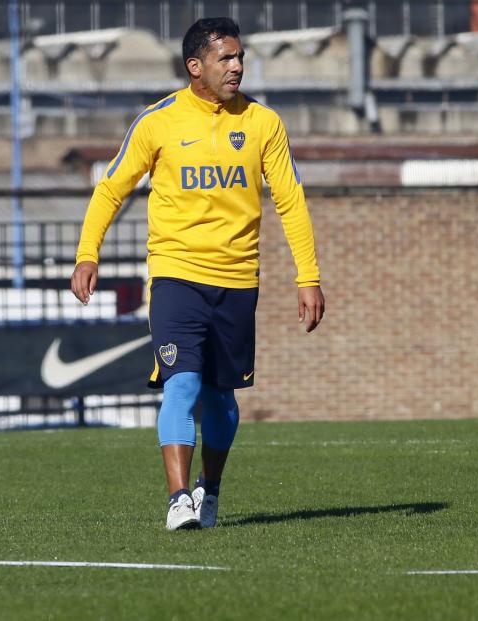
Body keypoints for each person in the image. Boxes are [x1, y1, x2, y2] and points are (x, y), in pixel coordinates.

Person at [70, 17, 324, 531]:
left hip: (236, 280)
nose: (237, 66)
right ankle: (178, 499)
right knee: (180, 384)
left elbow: (290, 200)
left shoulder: (263, 124)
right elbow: (111, 188)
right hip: (174, 275)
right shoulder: (157, 122)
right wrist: (86, 253)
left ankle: (211, 488)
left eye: (239, 56)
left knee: (221, 398)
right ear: (195, 66)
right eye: (225, 58)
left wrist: (308, 275)